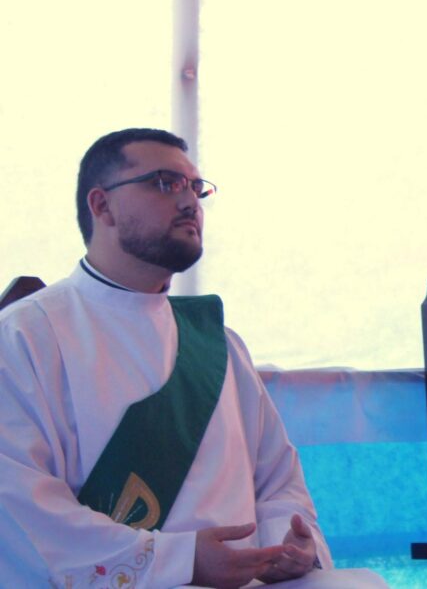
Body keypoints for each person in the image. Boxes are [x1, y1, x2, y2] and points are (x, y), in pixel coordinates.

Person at [0, 128, 387, 588]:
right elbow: (17, 503)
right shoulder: (27, 335)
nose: (190, 203)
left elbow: (278, 483)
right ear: (101, 205)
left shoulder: (219, 345)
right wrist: (181, 561)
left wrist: (290, 546)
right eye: (165, 183)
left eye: (195, 188)